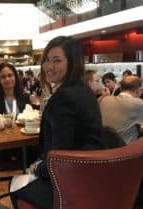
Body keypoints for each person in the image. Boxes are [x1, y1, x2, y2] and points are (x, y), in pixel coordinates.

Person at [10, 36, 106, 209]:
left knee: (15, 187)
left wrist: (37, 169)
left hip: (70, 186)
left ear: (73, 63)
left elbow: (61, 158)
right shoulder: (84, 90)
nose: (49, 66)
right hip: (93, 177)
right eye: (47, 60)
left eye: (57, 60)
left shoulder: (63, 98)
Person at [99, 75, 143, 144]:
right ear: (138, 90)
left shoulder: (105, 99)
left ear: (121, 88)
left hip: (104, 146)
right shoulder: (137, 103)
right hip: (125, 149)